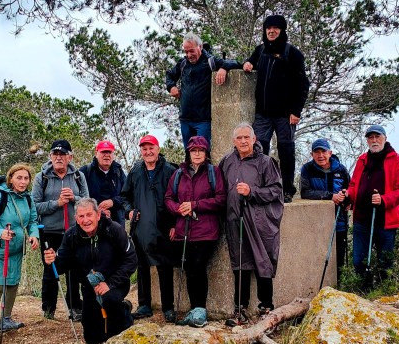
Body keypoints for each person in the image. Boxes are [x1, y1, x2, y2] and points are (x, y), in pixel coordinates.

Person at [43, 198, 138, 344]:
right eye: (81, 216)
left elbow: (131, 260)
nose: (86, 220)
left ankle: (123, 311)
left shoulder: (114, 229)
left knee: (114, 334)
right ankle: (112, 312)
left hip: (115, 283)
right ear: (76, 218)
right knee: (93, 338)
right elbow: (61, 266)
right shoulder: (71, 236)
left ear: (98, 215)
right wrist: (51, 261)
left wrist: (110, 284)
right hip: (90, 287)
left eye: (89, 215)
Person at [219, 123, 284, 326]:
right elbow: (220, 190)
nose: (243, 141)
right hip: (234, 220)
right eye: (239, 138)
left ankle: (266, 307)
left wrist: (252, 191)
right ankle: (240, 310)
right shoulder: (227, 161)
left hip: (260, 222)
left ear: (254, 139)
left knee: (262, 262)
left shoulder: (266, 162)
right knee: (240, 263)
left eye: (247, 137)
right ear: (234, 141)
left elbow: (276, 190)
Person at [242, 14, 310, 203]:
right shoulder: (261, 50)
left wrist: (296, 111)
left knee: (286, 151)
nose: (271, 31)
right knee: (259, 149)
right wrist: (248, 63)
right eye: (268, 28)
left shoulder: (292, 53)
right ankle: (262, 186)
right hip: (263, 114)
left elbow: (303, 84)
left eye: (275, 28)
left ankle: (287, 189)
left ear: (282, 30)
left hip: (285, 115)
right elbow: (250, 62)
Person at [165, 136, 226, 327]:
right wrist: (178, 209)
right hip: (184, 230)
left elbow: (221, 199)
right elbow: (168, 198)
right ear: (188, 153)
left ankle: (200, 311)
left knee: (198, 267)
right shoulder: (178, 174)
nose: (197, 153)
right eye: (193, 150)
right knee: (189, 268)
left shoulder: (213, 172)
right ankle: (194, 310)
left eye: (201, 150)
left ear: (206, 153)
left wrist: (195, 205)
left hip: (206, 230)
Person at [342, 125, 399, 286]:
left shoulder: (398, 161)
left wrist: (384, 199)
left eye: (377, 137)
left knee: (385, 263)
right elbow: (354, 185)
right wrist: (348, 195)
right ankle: (363, 292)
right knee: (359, 260)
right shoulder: (362, 160)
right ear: (367, 140)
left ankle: (383, 294)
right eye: (370, 137)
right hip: (362, 219)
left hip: (386, 222)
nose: (374, 140)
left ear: (385, 138)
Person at [0, 163, 40, 341]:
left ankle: (5, 320)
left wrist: (34, 235)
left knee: (12, 284)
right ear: (10, 178)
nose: (22, 181)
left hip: (15, 249)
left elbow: (32, 220)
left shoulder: (27, 198)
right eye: (19, 178)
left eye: (26, 178)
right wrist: (0, 233)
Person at [120, 135, 179, 322]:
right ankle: (144, 304)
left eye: (151, 148)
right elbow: (124, 197)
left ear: (158, 148)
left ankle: (168, 307)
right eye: (144, 149)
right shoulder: (136, 171)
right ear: (141, 151)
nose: (148, 152)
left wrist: (176, 224)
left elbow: (179, 197)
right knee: (142, 265)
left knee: (165, 267)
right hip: (141, 226)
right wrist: (128, 212)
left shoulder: (170, 170)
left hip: (164, 226)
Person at [32, 139, 89, 321]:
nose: (58, 158)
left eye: (62, 154)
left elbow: (88, 203)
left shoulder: (78, 176)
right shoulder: (42, 177)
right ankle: (48, 310)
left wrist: (74, 198)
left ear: (69, 157)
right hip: (50, 231)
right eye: (55, 154)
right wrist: (57, 203)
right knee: (51, 269)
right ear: (50, 156)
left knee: (75, 270)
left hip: (74, 231)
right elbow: (34, 206)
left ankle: (75, 308)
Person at [166, 33, 242, 153]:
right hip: (185, 119)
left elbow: (237, 63)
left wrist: (224, 68)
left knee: (202, 154)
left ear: (200, 47)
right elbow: (170, 75)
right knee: (189, 155)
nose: (189, 55)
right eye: (186, 52)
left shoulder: (210, 61)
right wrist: (171, 87)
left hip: (203, 120)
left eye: (191, 51)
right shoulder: (183, 63)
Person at [299, 138, 351, 284]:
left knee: (339, 259)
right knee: (318, 257)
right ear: (312, 154)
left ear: (330, 153)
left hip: (339, 221)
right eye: (317, 152)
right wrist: (330, 196)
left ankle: (340, 287)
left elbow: (350, 189)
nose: (320, 155)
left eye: (323, 151)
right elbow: (305, 192)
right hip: (317, 223)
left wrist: (348, 200)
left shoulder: (341, 169)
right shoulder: (307, 169)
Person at [80, 140, 126, 225]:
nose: (107, 155)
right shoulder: (85, 171)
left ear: (113, 155)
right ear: (96, 153)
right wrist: (97, 209)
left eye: (109, 152)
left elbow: (127, 195)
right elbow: (79, 197)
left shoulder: (119, 172)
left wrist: (113, 202)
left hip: (117, 224)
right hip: (91, 223)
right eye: (103, 152)